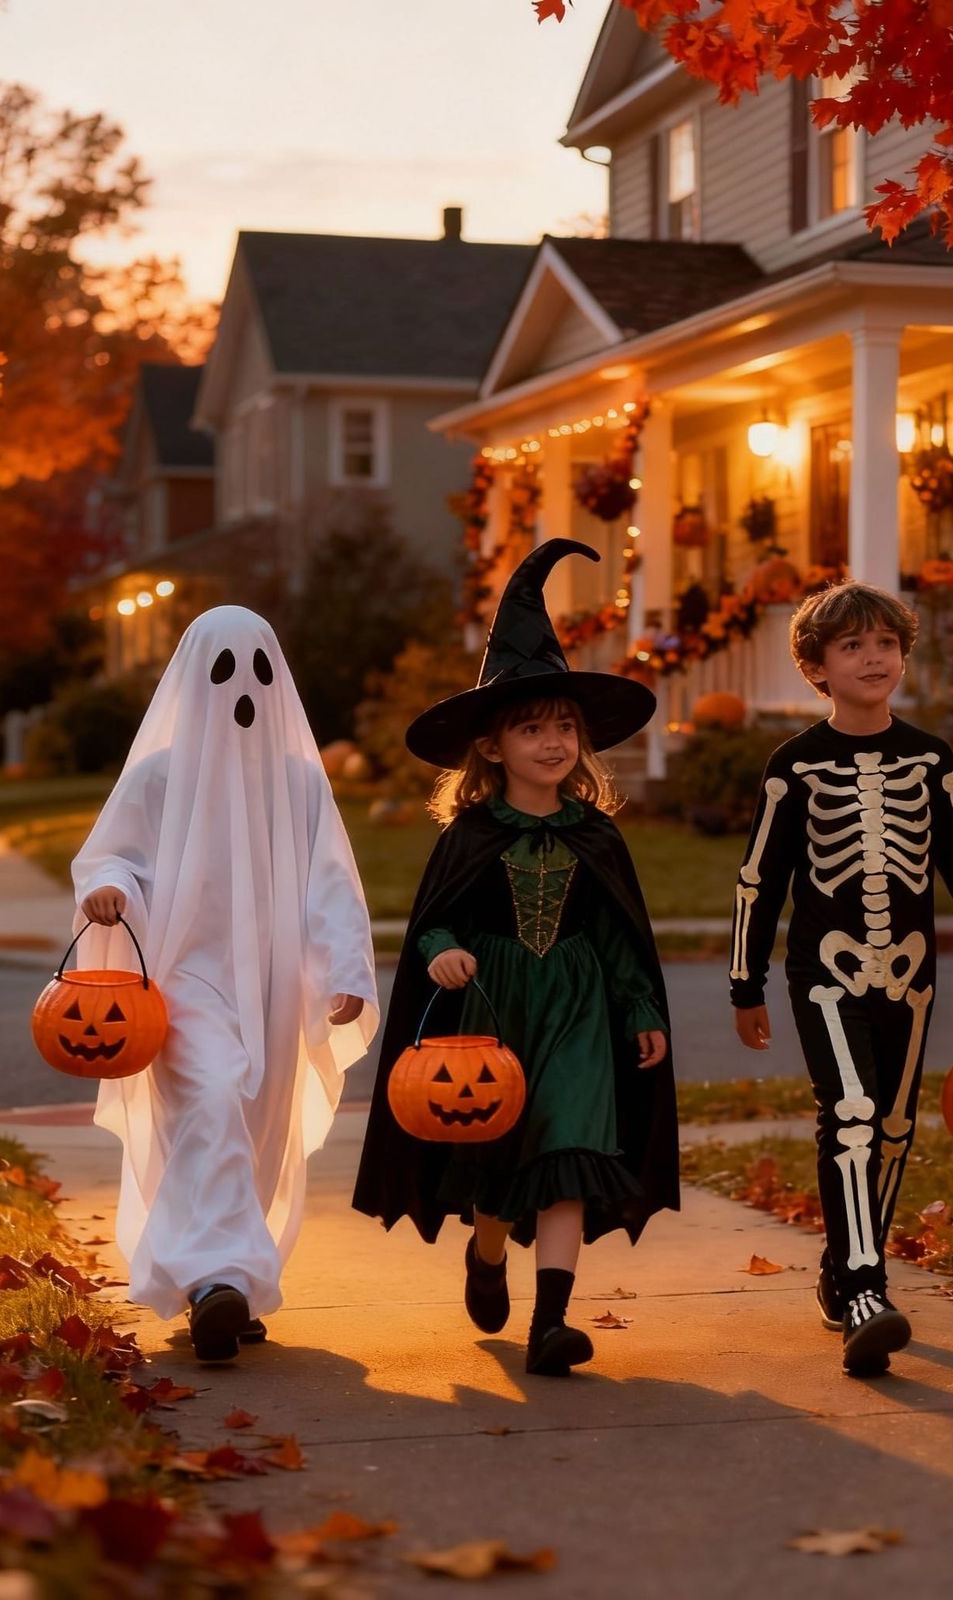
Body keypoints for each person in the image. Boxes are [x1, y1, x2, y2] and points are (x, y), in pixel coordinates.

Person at [353, 539, 679, 1377]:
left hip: (577, 1008)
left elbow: (619, 936)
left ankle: (553, 1325)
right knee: (498, 1161)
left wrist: (640, 1010)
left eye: (564, 726)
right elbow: (434, 922)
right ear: (492, 748)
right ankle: (488, 1251)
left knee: (567, 1151)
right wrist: (444, 953)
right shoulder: (472, 835)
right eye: (532, 727)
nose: (552, 741)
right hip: (490, 1010)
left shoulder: (596, 835)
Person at [727, 580, 953, 1376]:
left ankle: (841, 1267)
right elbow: (759, 880)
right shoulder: (793, 766)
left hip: (909, 972)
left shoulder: (931, 760)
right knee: (854, 1113)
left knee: (893, 1129)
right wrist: (744, 982)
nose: (873, 658)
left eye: (885, 645)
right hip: (823, 971)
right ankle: (868, 1288)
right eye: (851, 647)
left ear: (903, 655)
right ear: (817, 667)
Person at [71, 607, 379, 1362]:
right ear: (192, 677)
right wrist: (110, 887)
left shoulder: (301, 782)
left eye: (259, 669)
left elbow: (330, 880)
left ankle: (230, 1280)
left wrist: (343, 965)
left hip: (276, 985)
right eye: (222, 669)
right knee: (209, 1100)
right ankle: (215, 1281)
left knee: (257, 1127)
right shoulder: (159, 775)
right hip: (183, 982)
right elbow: (114, 854)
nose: (242, 689)